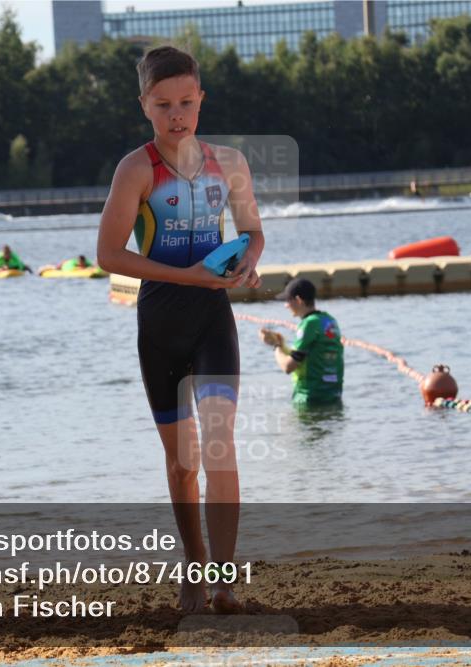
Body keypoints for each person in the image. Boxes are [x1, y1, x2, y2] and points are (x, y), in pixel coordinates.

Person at [96, 46, 264, 614]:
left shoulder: (230, 164)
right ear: (144, 104)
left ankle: (225, 581)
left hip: (214, 317)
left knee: (220, 447)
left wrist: (246, 261)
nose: (177, 115)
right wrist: (185, 274)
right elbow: (107, 255)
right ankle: (193, 562)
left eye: (186, 102)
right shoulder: (136, 169)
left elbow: (253, 231)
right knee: (182, 462)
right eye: (163, 104)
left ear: (201, 100)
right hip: (161, 322)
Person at [259, 278, 344, 407]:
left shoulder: (308, 324)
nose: (286, 305)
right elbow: (307, 357)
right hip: (333, 396)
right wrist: (282, 344)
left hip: (309, 399)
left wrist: (275, 345)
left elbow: (288, 366)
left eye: (288, 301)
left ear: (298, 300)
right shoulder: (329, 320)